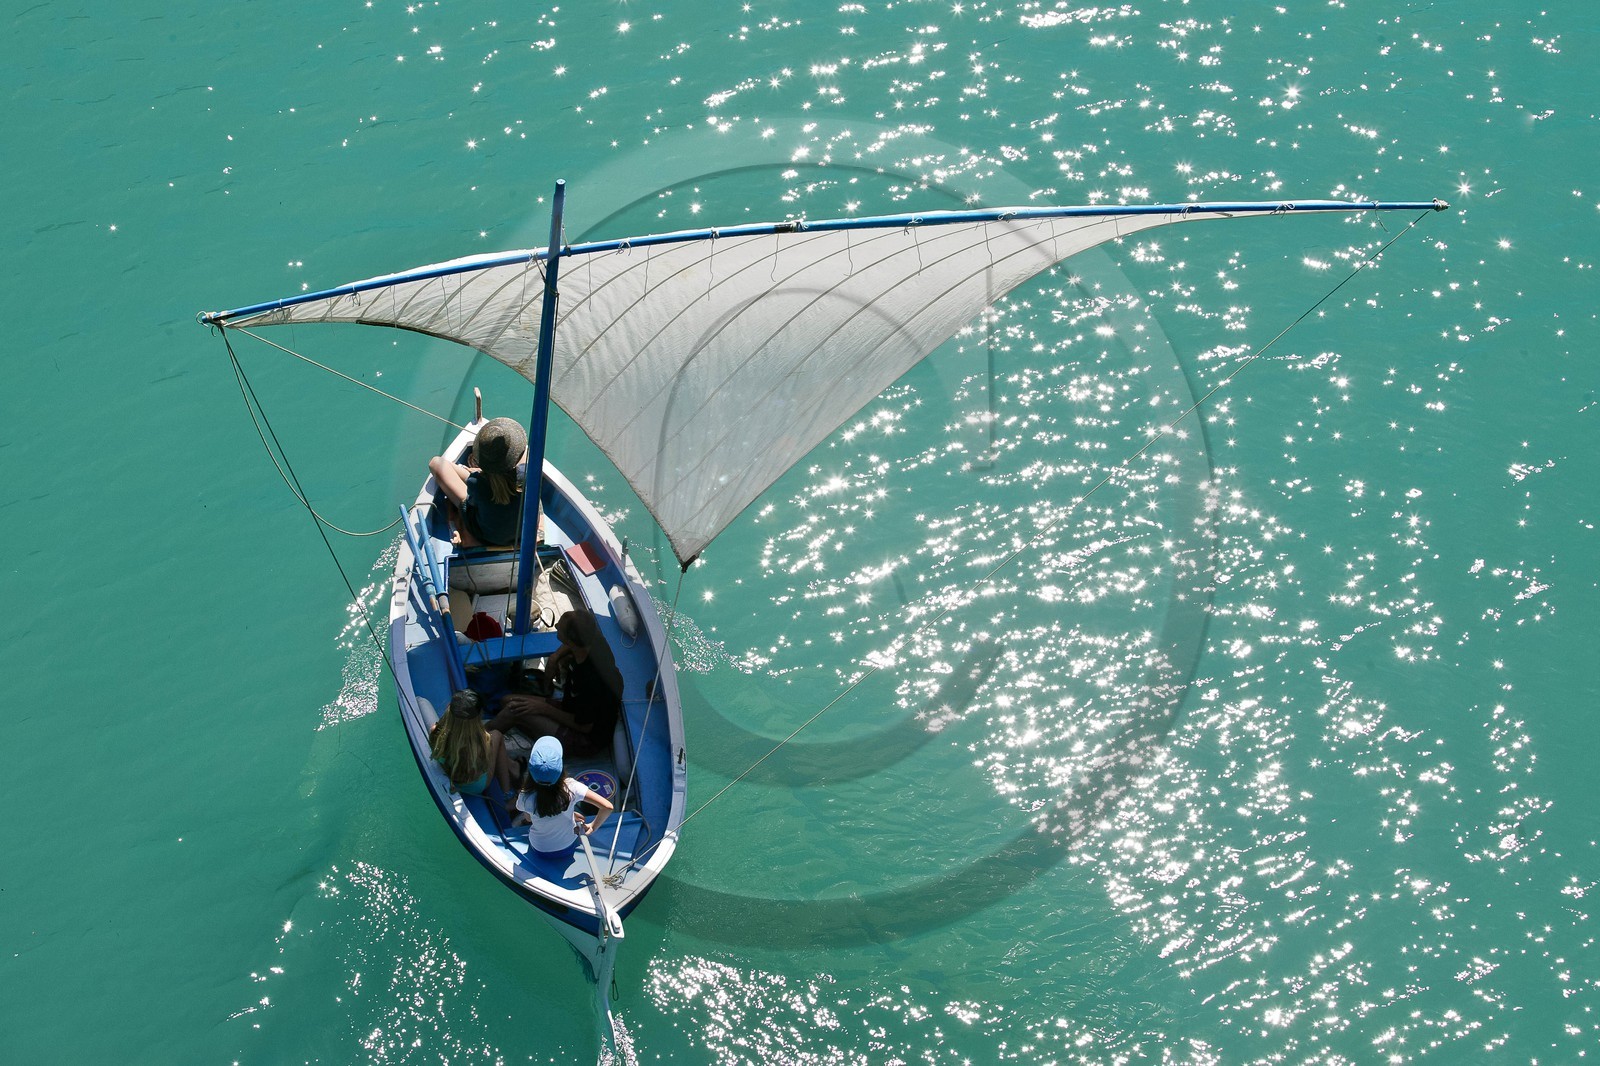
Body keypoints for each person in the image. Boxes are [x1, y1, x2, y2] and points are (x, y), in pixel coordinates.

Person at [487, 609, 623, 759]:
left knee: (513, 710)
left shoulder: (590, 682)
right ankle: (539, 733)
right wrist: (555, 657)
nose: (556, 626)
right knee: (506, 701)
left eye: (560, 627)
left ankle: (478, 743)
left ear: (571, 641)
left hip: (586, 739)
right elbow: (574, 645)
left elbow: (585, 726)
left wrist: (544, 709)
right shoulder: (594, 641)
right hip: (570, 709)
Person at [427, 416, 527, 547]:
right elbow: (524, 452)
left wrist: (478, 474)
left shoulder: (477, 484)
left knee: (436, 463)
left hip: (487, 536)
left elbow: (472, 502)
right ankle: (483, 470)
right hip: (523, 533)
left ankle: (469, 470)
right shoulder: (526, 477)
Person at [515, 736, 614, 858]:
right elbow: (607, 807)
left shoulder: (525, 796)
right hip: (567, 845)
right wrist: (592, 827)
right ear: (561, 769)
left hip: (539, 848)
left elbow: (529, 819)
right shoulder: (572, 787)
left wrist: (568, 814)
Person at [429, 689, 518, 796]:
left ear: (449, 708)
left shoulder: (435, 732)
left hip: (450, 779)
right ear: (479, 715)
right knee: (497, 735)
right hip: (474, 788)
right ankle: (508, 793)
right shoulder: (484, 743)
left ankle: (513, 766)